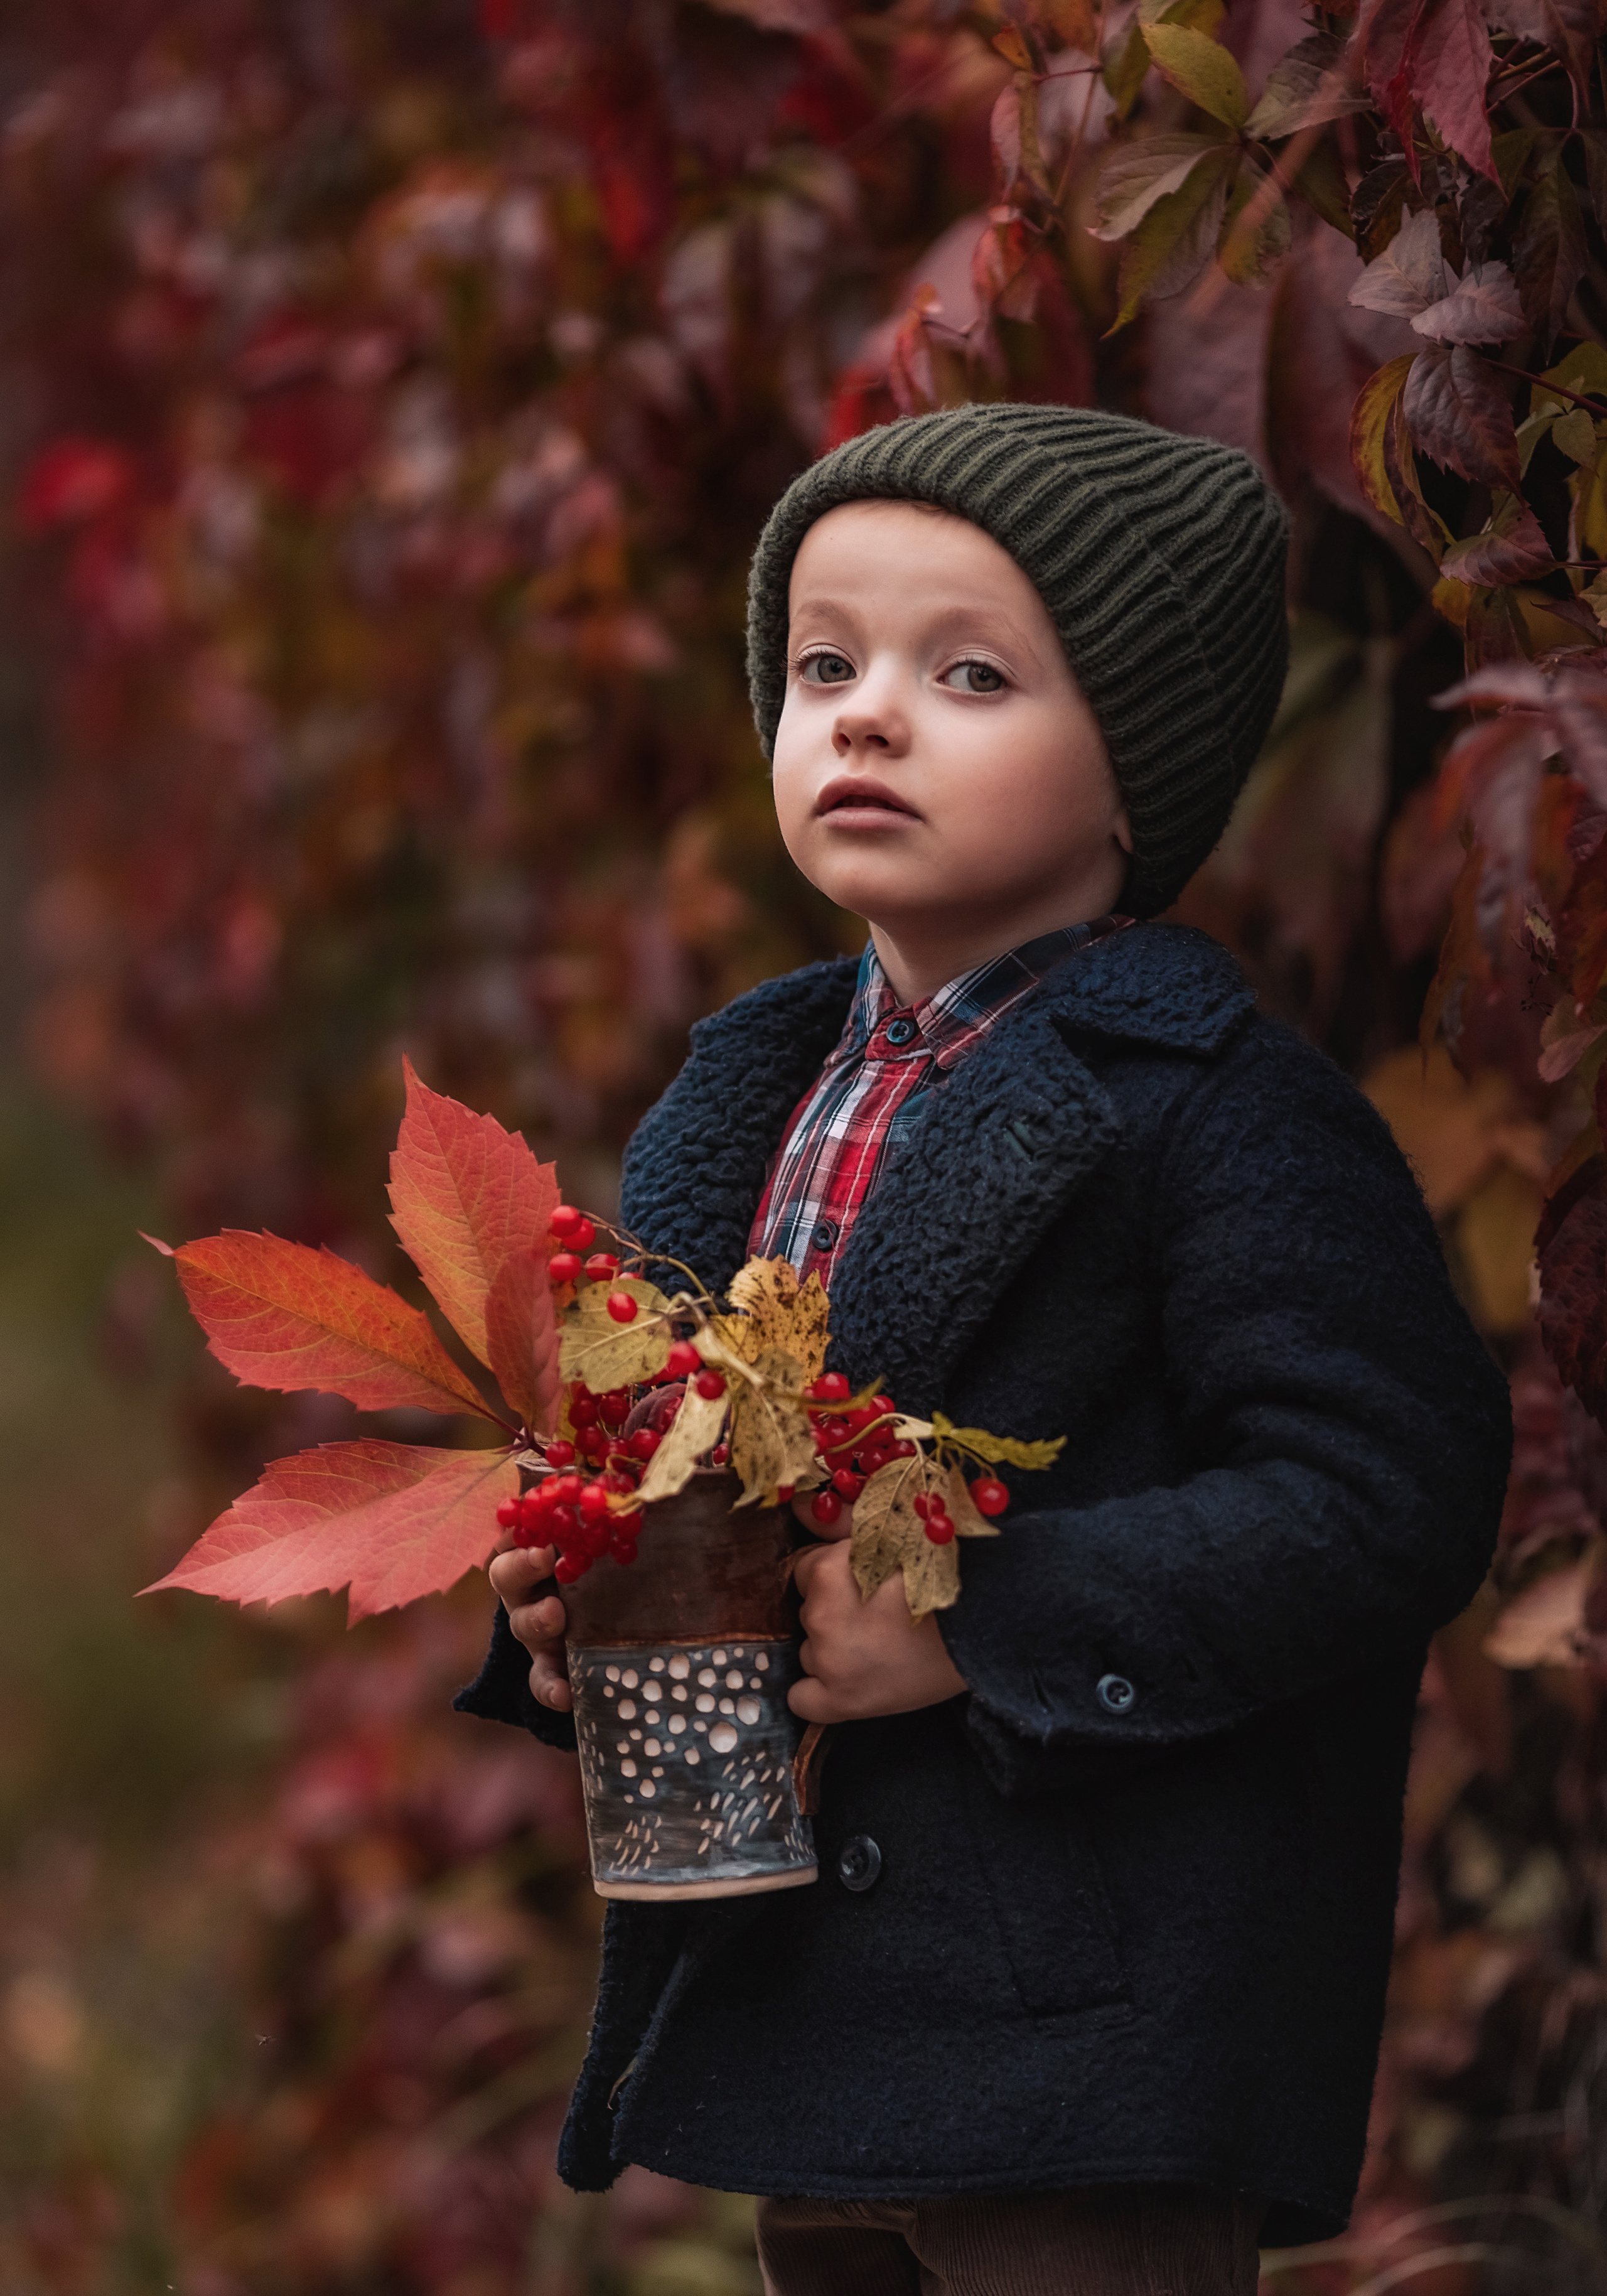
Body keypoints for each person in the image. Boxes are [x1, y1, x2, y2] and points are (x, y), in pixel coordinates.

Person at [455, 403, 1512, 2295]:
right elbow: (681, 1478)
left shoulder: (1220, 1112)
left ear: (1134, 779)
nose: (866, 713)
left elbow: (1386, 1488)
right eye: (825, 663)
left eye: (967, 673)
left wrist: (985, 1621)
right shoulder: (751, 1094)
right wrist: (569, 1614)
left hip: (1096, 2025)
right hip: (813, 2005)